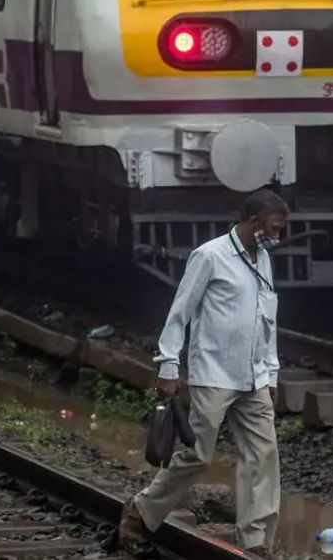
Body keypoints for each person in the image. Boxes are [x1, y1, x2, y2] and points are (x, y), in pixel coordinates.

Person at [119, 189, 285, 558]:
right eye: (273, 229)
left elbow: (267, 321)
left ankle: (257, 543)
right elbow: (180, 312)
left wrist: (271, 374)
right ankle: (141, 510)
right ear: (254, 222)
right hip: (214, 374)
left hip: (254, 378)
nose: (277, 237)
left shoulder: (263, 260)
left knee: (264, 454)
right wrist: (168, 365)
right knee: (198, 456)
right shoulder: (210, 256)